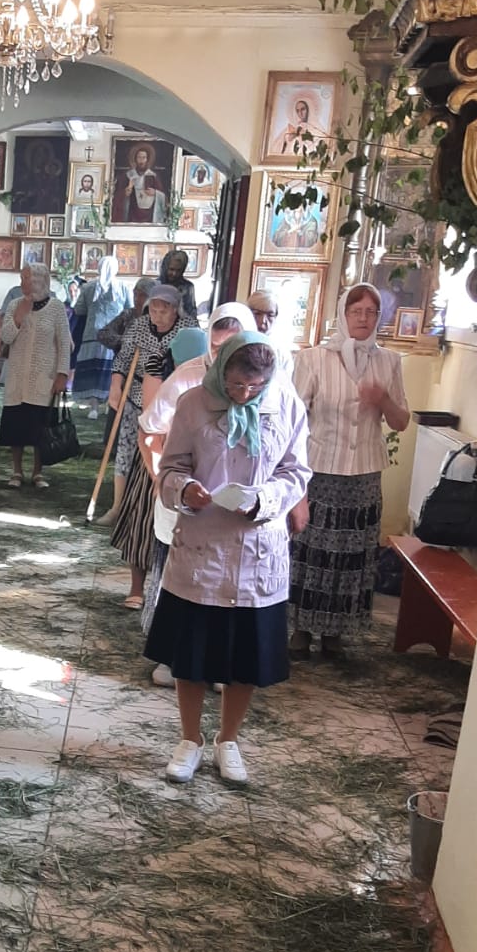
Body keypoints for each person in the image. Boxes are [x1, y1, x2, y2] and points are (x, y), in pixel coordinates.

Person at [147, 333, 311, 785]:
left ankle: (229, 740)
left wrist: (265, 499)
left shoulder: (287, 405)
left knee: (245, 656)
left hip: (257, 548)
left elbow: (296, 471)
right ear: (222, 373)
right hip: (203, 545)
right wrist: (184, 489)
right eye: (236, 385)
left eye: (254, 387)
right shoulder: (194, 404)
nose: (243, 395)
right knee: (191, 652)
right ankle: (189, 739)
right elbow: (170, 468)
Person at [140, 304, 264, 683]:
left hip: (236, 509)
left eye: (233, 346)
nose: (224, 356)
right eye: (217, 347)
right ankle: (173, 657)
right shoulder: (188, 380)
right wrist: (165, 480)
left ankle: (221, 664)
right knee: (180, 581)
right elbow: (150, 431)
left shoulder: (264, 384)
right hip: (190, 501)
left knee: (227, 584)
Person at [289, 283, 411, 660]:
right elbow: (295, 418)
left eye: (371, 313)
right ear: (343, 315)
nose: (363, 319)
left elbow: (401, 421)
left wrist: (383, 399)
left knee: (351, 555)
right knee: (312, 550)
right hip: (320, 470)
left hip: (364, 474)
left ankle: (335, 633)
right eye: (356, 311)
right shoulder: (313, 358)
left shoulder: (389, 361)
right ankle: (301, 629)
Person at [108, 284, 196, 604]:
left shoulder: (190, 332)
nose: (158, 314)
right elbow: (123, 360)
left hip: (186, 445)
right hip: (147, 418)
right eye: (154, 309)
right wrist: (116, 386)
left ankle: (171, 589)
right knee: (142, 512)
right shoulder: (141, 330)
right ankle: (136, 587)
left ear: (175, 309)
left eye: (164, 309)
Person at [0, 262, 72, 489]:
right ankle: (17, 471)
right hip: (18, 376)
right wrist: (19, 316)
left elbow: (64, 343)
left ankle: (38, 472)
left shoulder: (56, 308)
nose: (22, 283)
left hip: (44, 378)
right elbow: (6, 337)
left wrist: (62, 374)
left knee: (40, 426)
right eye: (22, 278)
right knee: (16, 425)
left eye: (26, 278)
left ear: (39, 280)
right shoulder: (14, 305)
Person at [72, 256, 132, 410]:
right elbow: (130, 308)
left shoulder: (88, 287)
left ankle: (93, 407)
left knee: (92, 371)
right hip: (114, 335)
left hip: (92, 334)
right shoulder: (123, 287)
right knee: (112, 370)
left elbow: (79, 309)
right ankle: (109, 405)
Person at [113, 142, 167, 224]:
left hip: (150, 216)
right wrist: (125, 193)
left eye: (144, 157)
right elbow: (117, 195)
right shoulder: (128, 175)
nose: (141, 161)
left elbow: (164, 196)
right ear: (135, 159)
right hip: (132, 215)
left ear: (147, 159)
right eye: (139, 157)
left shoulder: (153, 176)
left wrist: (155, 193)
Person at [246, 290, 294, 373]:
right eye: (257, 313)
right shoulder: (237, 343)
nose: (263, 321)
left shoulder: (281, 352)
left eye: (270, 315)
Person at [159, 249, 199, 321]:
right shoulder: (155, 285)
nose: (174, 274)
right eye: (171, 269)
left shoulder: (188, 287)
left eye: (178, 270)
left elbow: (191, 314)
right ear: (165, 268)